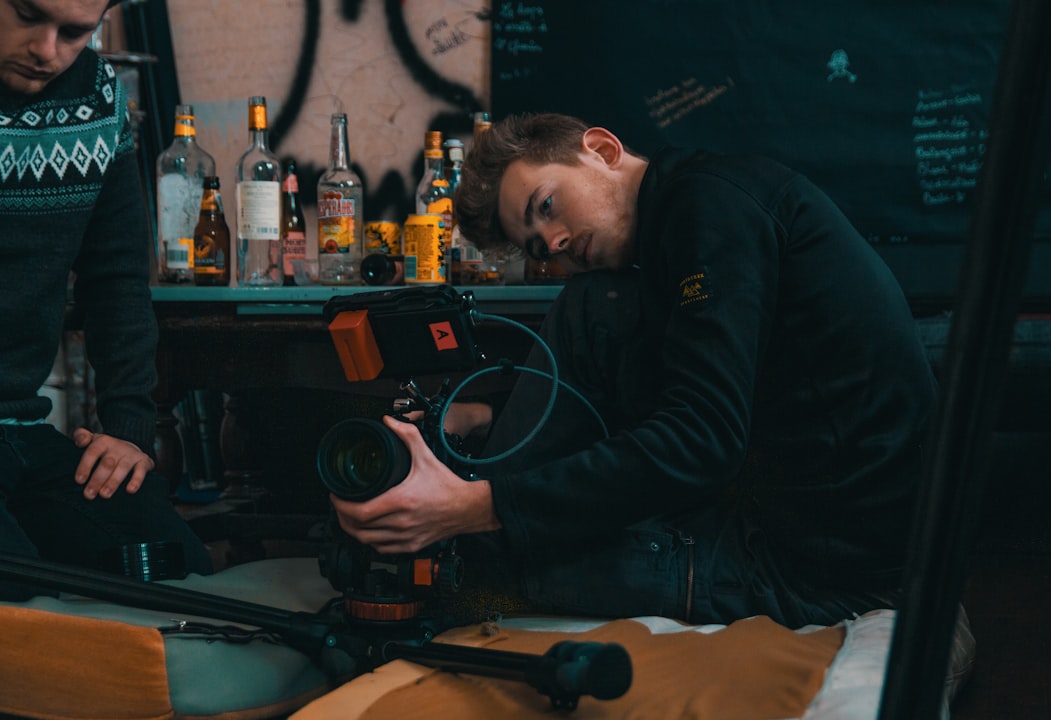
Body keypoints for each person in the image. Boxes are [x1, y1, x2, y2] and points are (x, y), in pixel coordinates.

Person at [330, 112, 939, 628]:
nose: (556, 243)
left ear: (600, 149)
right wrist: (484, 414)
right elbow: (685, 383)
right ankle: (466, 501)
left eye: (548, 205)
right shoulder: (689, 213)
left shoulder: (711, 209)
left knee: (473, 561)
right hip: (804, 522)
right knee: (595, 306)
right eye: (539, 246)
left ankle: (469, 524)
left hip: (824, 571)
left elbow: (701, 439)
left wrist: (479, 509)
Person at [0, 0, 212, 600]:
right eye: (26, 15)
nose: (47, 51)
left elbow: (116, 277)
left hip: (18, 426)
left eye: (74, 31)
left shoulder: (97, 94)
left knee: (177, 577)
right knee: (21, 616)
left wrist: (127, 426)